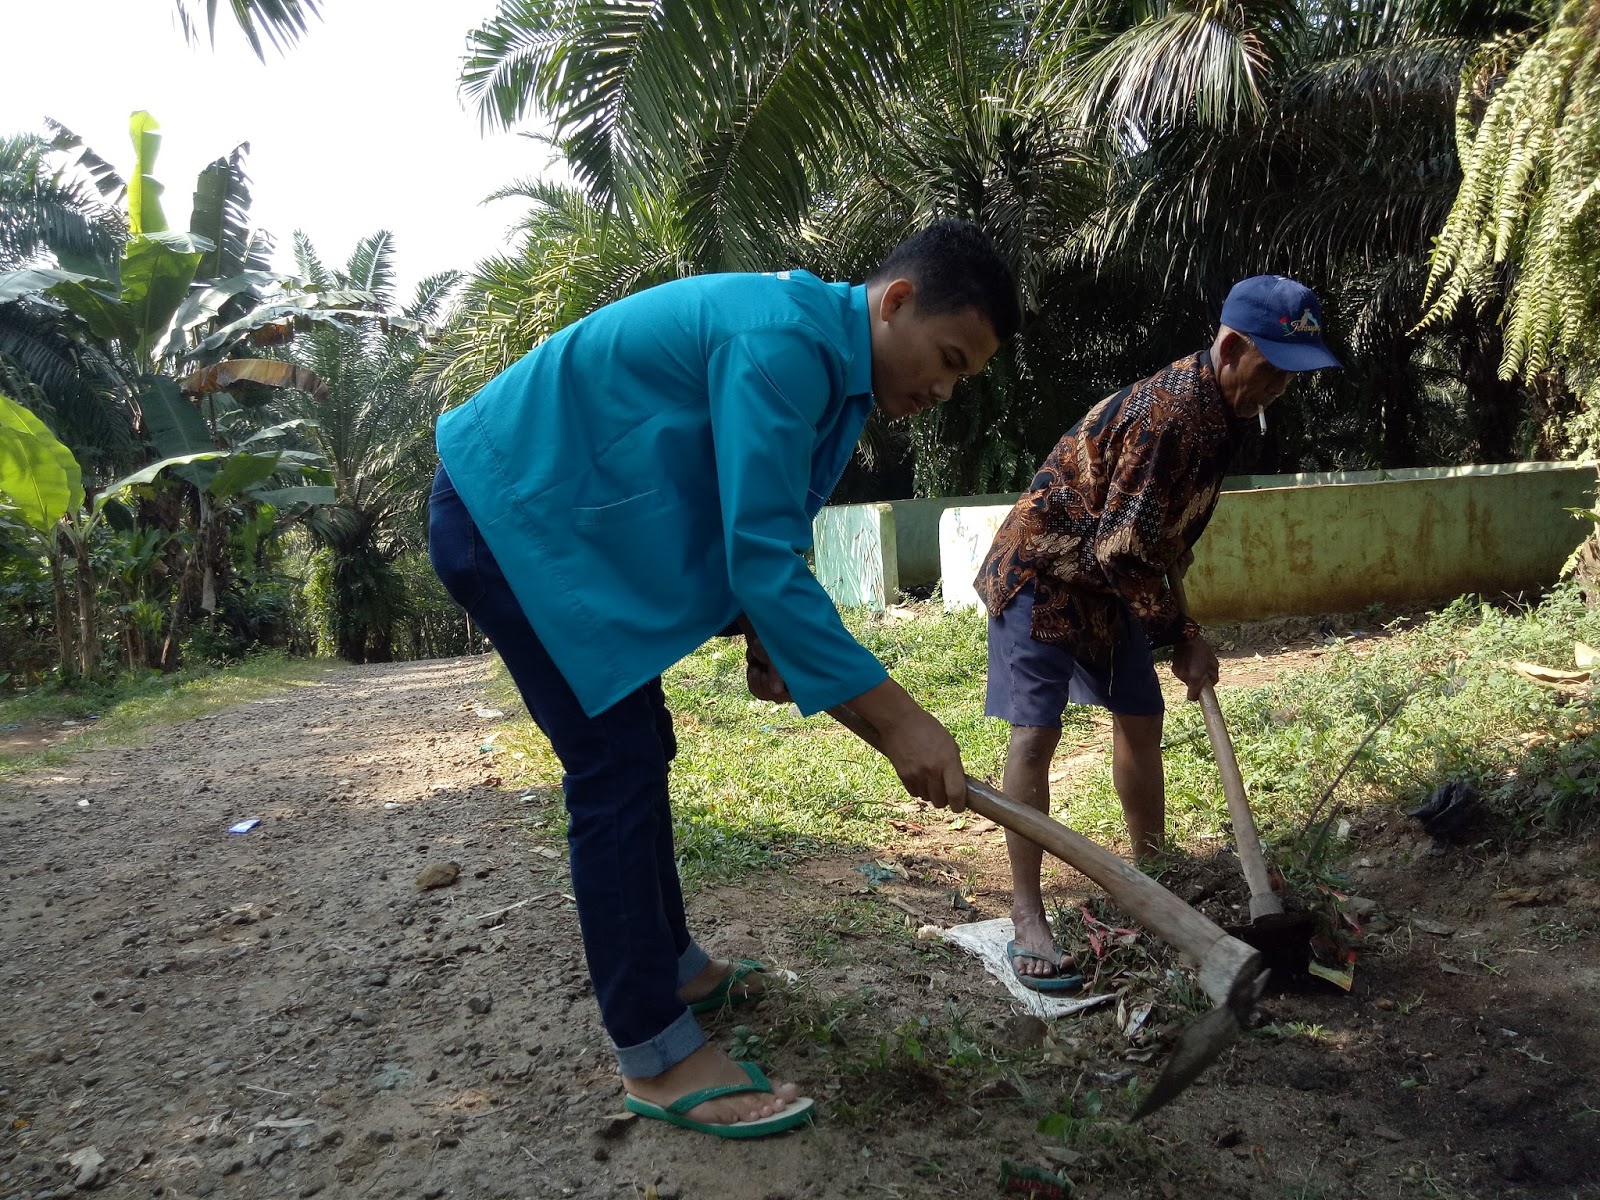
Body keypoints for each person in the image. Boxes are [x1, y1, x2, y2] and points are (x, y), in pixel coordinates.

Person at [428, 221, 1021, 1137]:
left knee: (638, 742)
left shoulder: (831, 363)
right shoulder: (785, 344)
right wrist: (902, 722)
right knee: (613, 762)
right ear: (895, 300)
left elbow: (765, 523)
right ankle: (655, 1055)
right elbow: (760, 561)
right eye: (946, 359)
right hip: (505, 514)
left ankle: (672, 967)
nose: (943, 389)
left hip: (535, 518)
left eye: (962, 377)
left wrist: (764, 639)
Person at [973, 274, 1341, 992]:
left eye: (1290, 380)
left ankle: (1156, 878)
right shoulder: (1172, 414)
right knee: (1034, 736)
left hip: (1114, 584)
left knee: (1140, 717)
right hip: (1044, 575)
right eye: (1271, 372)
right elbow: (1121, 545)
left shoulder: (1229, 412)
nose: (1275, 392)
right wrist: (1182, 636)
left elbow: (1160, 536)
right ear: (1232, 348)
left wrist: (1183, 618)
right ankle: (1026, 913)